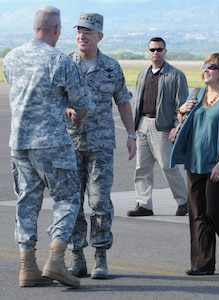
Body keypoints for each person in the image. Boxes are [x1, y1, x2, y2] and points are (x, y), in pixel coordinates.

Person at [3, 6, 96, 288]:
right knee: (67, 198)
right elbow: (83, 103)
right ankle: (55, 259)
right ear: (56, 30)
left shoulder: (11, 57)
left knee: (26, 203)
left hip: (19, 144)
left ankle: (27, 267)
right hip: (52, 143)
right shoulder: (58, 60)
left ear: (34, 28)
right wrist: (76, 110)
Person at [65, 13, 136, 279]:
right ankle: (76, 256)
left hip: (101, 145)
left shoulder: (111, 67)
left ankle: (100, 256)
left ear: (100, 36)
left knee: (99, 203)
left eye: (88, 32)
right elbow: (54, 100)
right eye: (79, 31)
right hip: (70, 144)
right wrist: (67, 110)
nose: (82, 36)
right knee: (72, 203)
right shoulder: (65, 64)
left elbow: (123, 101)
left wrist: (131, 135)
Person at [170, 53, 219, 275]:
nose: (205, 69)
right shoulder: (198, 94)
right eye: (204, 66)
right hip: (195, 163)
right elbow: (185, 125)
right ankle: (203, 263)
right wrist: (181, 112)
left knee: (215, 211)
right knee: (197, 214)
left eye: (211, 67)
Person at [127, 37, 189, 217]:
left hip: (162, 126)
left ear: (165, 51)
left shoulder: (176, 75)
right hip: (142, 125)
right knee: (142, 168)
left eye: (159, 49)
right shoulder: (142, 74)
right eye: (153, 49)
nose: (156, 52)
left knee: (168, 167)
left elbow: (182, 104)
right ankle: (144, 204)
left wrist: (177, 126)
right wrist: (133, 127)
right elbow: (136, 102)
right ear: (148, 52)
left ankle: (184, 202)